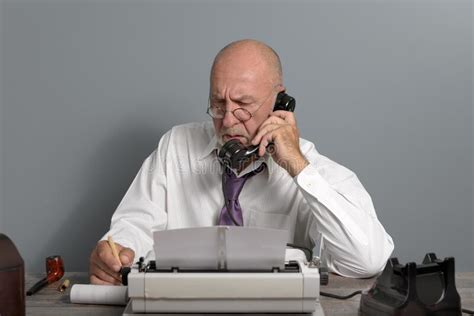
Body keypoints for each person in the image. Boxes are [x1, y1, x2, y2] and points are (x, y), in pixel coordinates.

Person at [89, 39, 394, 285]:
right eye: (218, 104)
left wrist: (298, 169)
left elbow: (365, 260)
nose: (228, 121)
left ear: (280, 102)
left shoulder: (314, 171)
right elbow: (134, 224)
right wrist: (117, 252)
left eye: (243, 106)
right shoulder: (176, 146)